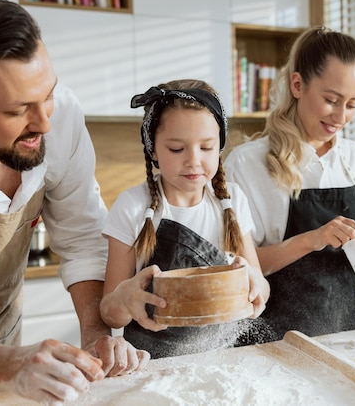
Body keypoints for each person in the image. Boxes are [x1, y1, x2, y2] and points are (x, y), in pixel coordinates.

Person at [0, 0, 148, 404]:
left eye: (49, 94)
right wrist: (11, 363)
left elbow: (80, 239)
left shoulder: (58, 117)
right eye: (18, 110)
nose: (44, 122)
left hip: (2, 338)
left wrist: (96, 336)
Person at [223, 26, 355, 342]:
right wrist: (313, 239)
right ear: (298, 85)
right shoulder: (246, 164)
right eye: (331, 99)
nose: (340, 116)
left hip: (345, 335)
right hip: (270, 341)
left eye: (351, 104)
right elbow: (238, 271)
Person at [99, 79, 271, 359]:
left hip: (227, 359)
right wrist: (124, 298)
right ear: (152, 149)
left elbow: (261, 284)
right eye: (177, 149)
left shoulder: (233, 201)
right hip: (153, 364)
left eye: (206, 148)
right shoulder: (132, 207)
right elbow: (108, 313)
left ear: (220, 146)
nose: (193, 160)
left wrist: (255, 285)